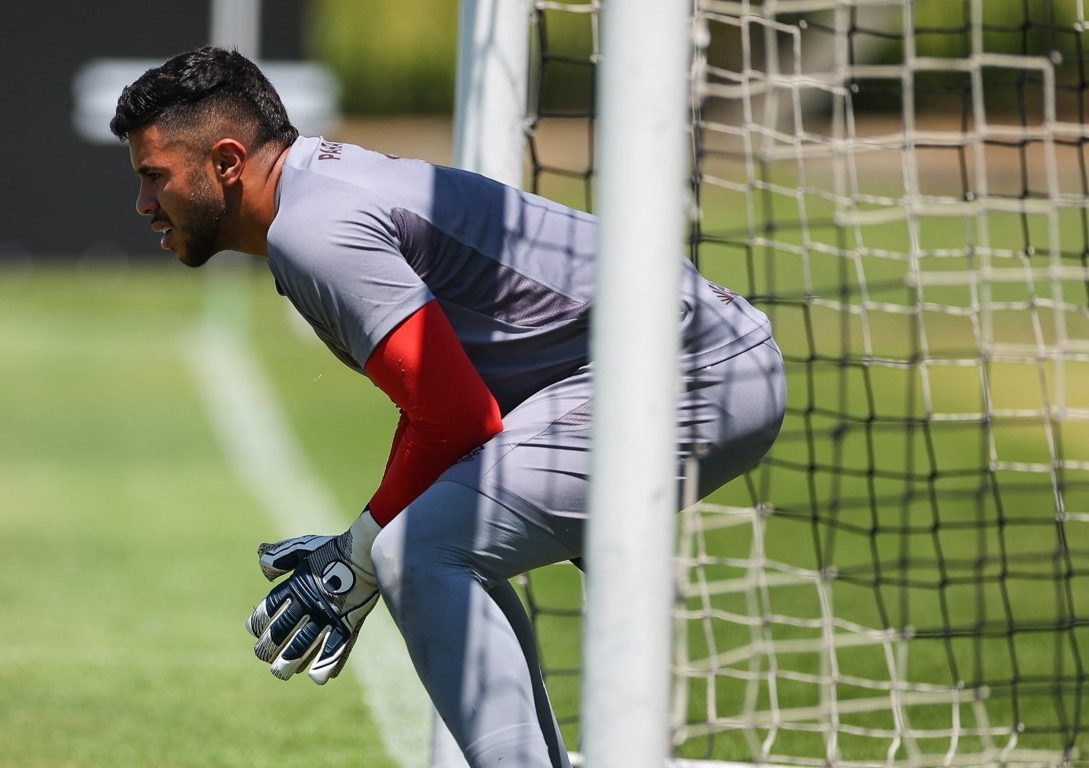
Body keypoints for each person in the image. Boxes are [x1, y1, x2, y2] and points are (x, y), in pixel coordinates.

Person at [109, 46, 786, 768]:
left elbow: (458, 417)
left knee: (422, 549)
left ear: (226, 161)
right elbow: (449, 413)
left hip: (691, 370)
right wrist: (361, 545)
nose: (144, 203)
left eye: (155, 177)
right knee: (431, 541)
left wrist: (358, 557)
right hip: (654, 365)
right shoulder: (314, 197)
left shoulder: (313, 231)